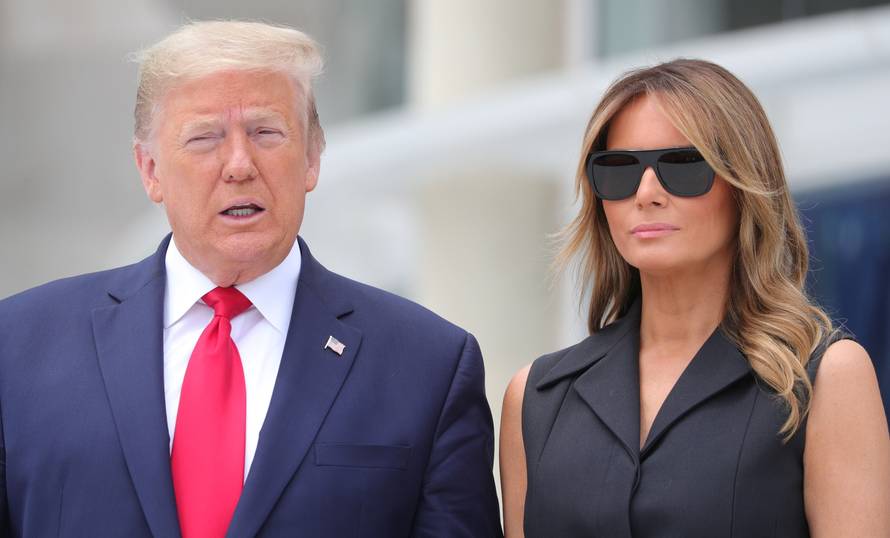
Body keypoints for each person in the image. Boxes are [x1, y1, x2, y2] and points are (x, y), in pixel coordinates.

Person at [0, 21, 501, 537]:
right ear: (149, 169)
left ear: (311, 158)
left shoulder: (428, 365)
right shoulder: (17, 348)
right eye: (204, 138)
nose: (239, 165)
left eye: (265, 132)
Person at [499, 59, 890, 537]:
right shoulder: (537, 399)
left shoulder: (825, 379)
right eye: (619, 170)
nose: (646, 192)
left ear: (743, 184)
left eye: (682, 166)